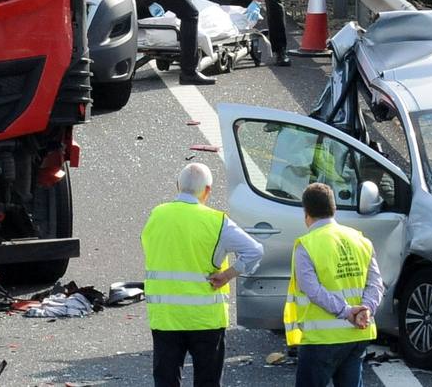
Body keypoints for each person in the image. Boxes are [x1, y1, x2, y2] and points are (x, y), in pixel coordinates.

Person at [141, 163, 263, 387]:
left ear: (177, 186)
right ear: (208, 190)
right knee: (208, 381)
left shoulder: (157, 215)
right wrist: (228, 274)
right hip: (206, 319)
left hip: (166, 316)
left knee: (166, 381)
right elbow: (255, 250)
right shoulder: (217, 222)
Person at [286, 183, 383, 387]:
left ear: (306, 212)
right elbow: (375, 283)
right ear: (334, 209)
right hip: (357, 334)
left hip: (321, 339)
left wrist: (347, 311)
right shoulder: (360, 239)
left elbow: (312, 290)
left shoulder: (307, 244)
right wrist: (366, 310)